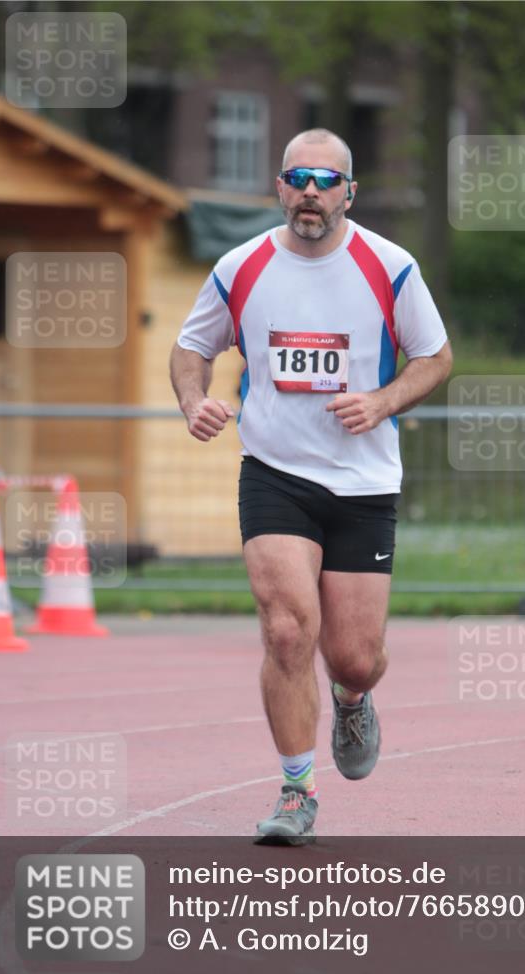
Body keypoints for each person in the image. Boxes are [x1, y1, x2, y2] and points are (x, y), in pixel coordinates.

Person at [170, 128, 452, 845]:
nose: (310, 192)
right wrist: (192, 399)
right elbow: (189, 348)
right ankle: (296, 791)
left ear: (349, 193)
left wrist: (383, 401)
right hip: (274, 473)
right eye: (298, 178)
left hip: (362, 482)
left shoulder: (389, 266)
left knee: (353, 655)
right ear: (279, 187)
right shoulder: (240, 268)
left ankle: (352, 697)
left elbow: (435, 356)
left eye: (326, 181)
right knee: (288, 628)